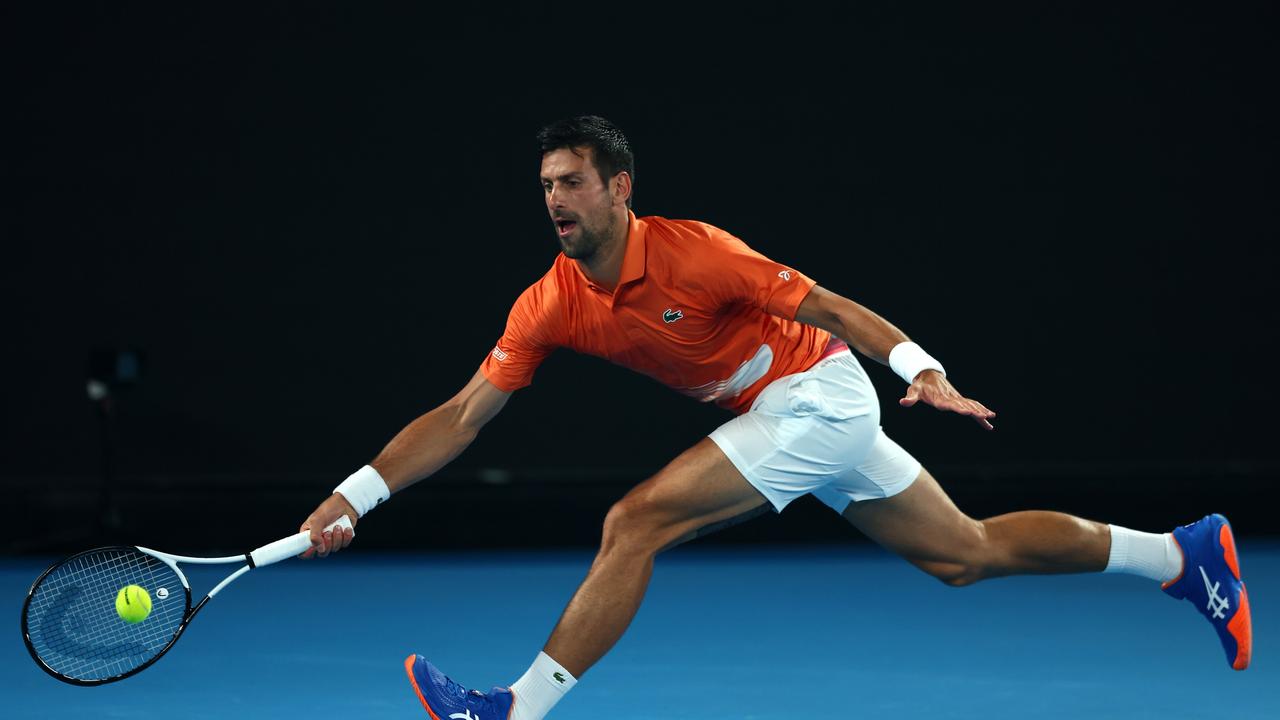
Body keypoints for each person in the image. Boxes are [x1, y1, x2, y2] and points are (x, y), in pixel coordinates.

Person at [298, 116, 1252, 719]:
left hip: (821, 395)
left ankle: (515, 712)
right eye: (546, 184)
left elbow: (831, 307)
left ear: (619, 189)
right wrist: (355, 495)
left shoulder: (696, 253)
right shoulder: (548, 301)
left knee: (634, 522)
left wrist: (920, 367)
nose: (556, 198)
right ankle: (1181, 557)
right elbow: (464, 415)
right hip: (792, 414)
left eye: (573, 181)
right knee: (966, 554)